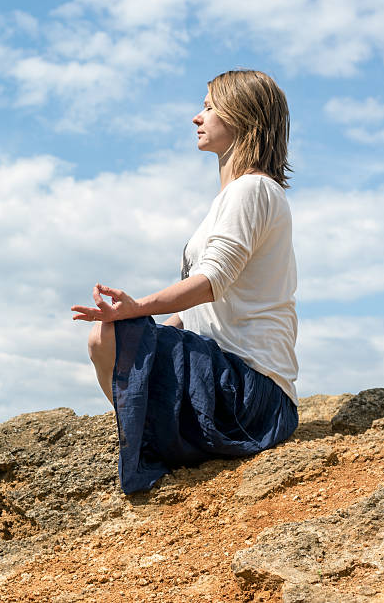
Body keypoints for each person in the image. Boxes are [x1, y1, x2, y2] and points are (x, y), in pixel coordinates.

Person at [71, 69, 299, 494]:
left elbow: (212, 280)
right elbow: (199, 312)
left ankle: (152, 443)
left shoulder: (252, 190)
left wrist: (138, 309)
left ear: (242, 117)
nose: (197, 117)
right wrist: (137, 324)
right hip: (232, 383)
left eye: (209, 107)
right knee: (111, 338)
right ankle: (156, 440)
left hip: (252, 396)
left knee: (112, 340)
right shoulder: (239, 197)